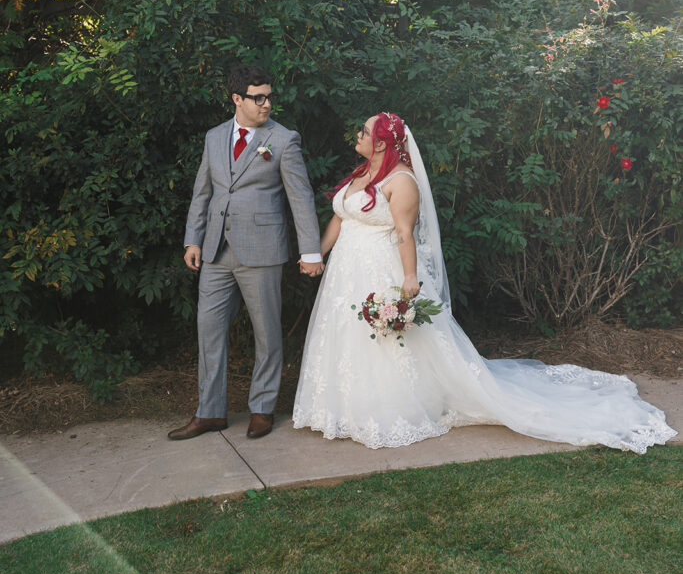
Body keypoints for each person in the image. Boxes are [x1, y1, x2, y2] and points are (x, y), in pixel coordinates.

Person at [293, 112, 677, 452]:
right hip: (345, 272)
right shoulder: (360, 174)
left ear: (381, 142)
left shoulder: (401, 181)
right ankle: (343, 406)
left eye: (364, 131)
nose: (357, 136)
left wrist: (409, 278)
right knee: (345, 335)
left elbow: (405, 235)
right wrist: (317, 255)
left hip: (381, 269)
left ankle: (388, 408)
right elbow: (341, 219)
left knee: (389, 342)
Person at [169, 66, 323, 442]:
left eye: (269, 96)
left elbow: (299, 198)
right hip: (216, 252)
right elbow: (202, 192)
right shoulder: (215, 137)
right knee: (209, 333)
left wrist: (311, 251)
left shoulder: (283, 140)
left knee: (267, 333)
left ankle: (263, 408)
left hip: (263, 251)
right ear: (237, 99)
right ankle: (210, 412)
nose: (267, 104)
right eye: (258, 97)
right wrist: (193, 240)